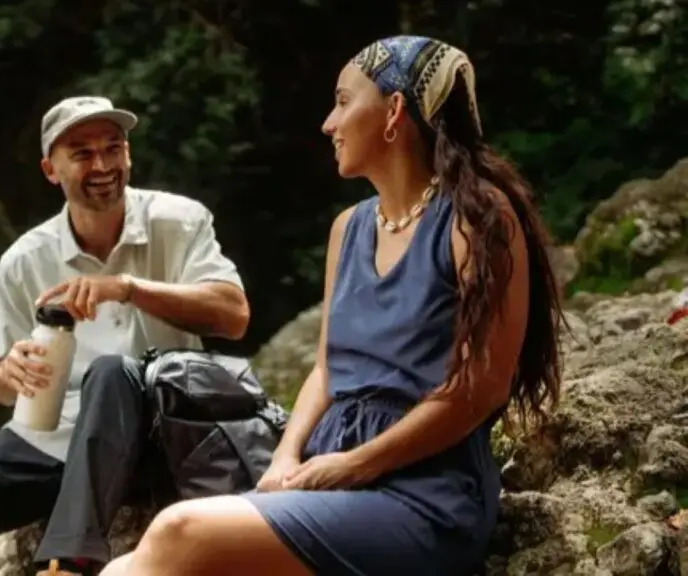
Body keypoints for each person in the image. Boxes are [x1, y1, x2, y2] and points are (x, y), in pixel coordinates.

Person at [99, 35, 565, 576]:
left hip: (425, 493)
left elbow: (479, 389)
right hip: (328, 469)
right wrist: (284, 458)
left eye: (344, 101)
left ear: (394, 111)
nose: (328, 122)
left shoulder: (479, 218)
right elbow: (328, 367)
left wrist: (352, 466)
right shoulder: (349, 228)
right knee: (131, 564)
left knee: (179, 532)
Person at [0, 95, 250, 576]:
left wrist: (126, 289)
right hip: (57, 440)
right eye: (82, 153)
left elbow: (233, 316)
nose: (102, 164)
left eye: (113, 147)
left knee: (112, 371)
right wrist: (9, 371)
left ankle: (68, 561)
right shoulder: (25, 260)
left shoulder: (179, 221)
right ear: (50, 169)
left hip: (161, 435)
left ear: (128, 154)